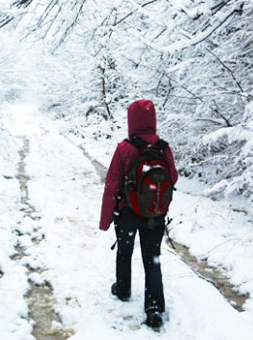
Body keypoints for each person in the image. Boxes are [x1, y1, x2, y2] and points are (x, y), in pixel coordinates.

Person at [99, 99, 178, 330]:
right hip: (155, 213)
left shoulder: (125, 147)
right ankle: (154, 308)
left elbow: (112, 184)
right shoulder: (163, 147)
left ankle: (123, 290)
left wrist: (105, 220)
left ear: (131, 120)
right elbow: (172, 178)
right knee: (152, 260)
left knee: (124, 252)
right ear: (152, 120)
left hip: (127, 214)